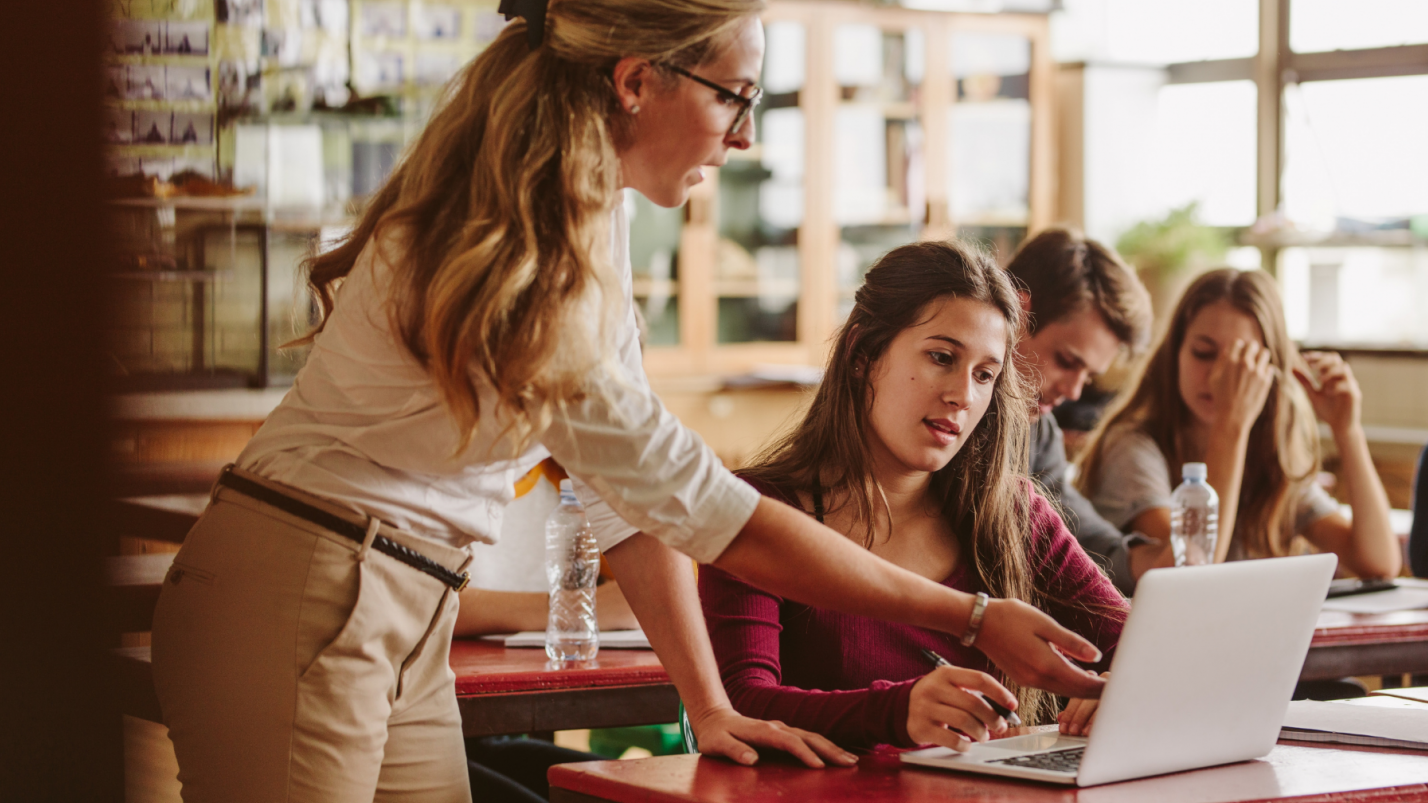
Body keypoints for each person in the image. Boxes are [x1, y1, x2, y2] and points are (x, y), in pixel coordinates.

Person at [150, 3, 1107, 802]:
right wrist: (974, 615)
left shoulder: (582, 227)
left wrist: (709, 703)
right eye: (734, 96)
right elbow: (713, 514)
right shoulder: (532, 255)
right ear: (637, 80)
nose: (744, 134)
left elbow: (631, 509)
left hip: (400, 602)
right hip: (310, 588)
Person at [699, 241, 1128, 753]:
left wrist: (1124, 689)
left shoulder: (1012, 511)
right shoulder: (758, 508)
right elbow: (743, 704)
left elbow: (1137, 643)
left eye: (984, 375)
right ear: (863, 356)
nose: (962, 396)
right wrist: (897, 712)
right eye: (941, 358)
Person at [1076, 268, 1400, 579]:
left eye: (1242, 363)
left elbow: (1379, 562)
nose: (1220, 377)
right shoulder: (1131, 447)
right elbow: (1191, 567)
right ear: (1175, 353)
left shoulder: (1269, 458)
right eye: (1204, 353)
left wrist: (1347, 431)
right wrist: (1231, 424)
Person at [1004, 229, 1155, 594]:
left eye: (1087, 377)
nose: (1072, 391)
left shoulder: (1039, 431)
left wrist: (1145, 560)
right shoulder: (938, 414)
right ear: (1016, 312)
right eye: (1067, 361)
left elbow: (1073, 526)